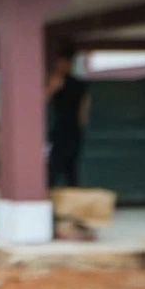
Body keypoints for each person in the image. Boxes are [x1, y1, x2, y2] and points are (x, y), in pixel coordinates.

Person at [46, 51, 91, 188]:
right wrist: (53, 86)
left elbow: (84, 108)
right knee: (54, 164)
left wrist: (82, 123)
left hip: (72, 128)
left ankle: (72, 192)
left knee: (71, 166)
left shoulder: (78, 85)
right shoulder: (55, 81)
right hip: (59, 128)